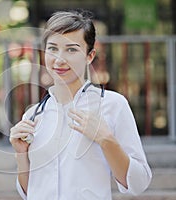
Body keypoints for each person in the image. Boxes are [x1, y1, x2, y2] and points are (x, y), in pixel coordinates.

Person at [9, 9, 152, 200]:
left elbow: (139, 183)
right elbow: (30, 192)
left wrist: (106, 139)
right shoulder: (33, 116)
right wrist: (21, 154)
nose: (59, 59)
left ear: (89, 56)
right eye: (52, 48)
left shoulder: (112, 105)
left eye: (71, 49)